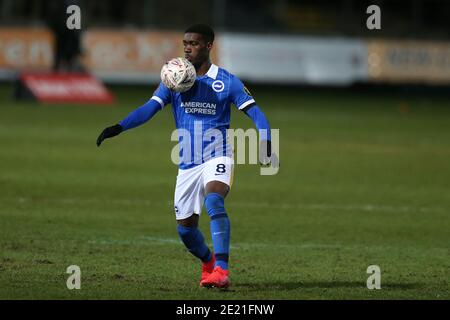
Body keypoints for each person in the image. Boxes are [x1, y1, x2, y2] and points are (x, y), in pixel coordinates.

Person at [96, 24, 272, 289]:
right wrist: (119, 127)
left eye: (194, 43)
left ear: (209, 46)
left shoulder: (226, 81)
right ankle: (209, 263)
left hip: (218, 155)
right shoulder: (175, 79)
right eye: (185, 43)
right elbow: (149, 108)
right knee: (186, 230)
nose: (188, 48)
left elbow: (256, 113)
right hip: (187, 163)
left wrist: (266, 140)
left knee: (214, 201)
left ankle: (222, 271)